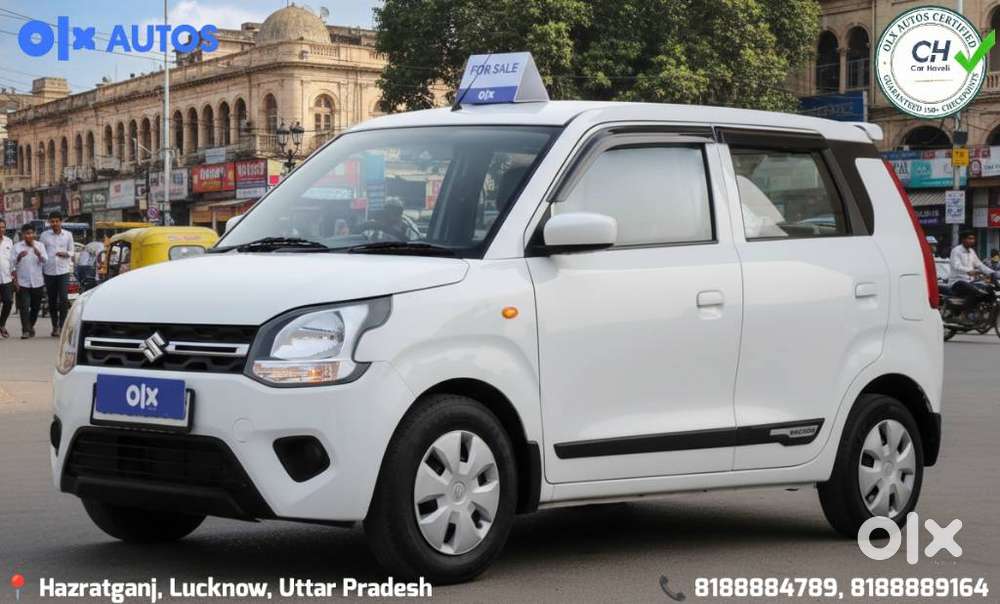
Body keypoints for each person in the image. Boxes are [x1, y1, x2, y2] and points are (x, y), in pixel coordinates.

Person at [39, 211, 74, 337]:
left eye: (56, 221)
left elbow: (72, 251)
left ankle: (62, 325)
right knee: (52, 300)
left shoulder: (68, 235)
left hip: (63, 271)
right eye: (52, 221)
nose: (54, 223)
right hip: (49, 272)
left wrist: (66, 254)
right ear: (49, 222)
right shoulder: (44, 235)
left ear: (61, 221)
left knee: (64, 299)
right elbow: (41, 252)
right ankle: (55, 326)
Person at [12, 223, 47, 339]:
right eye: (27, 233)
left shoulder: (40, 245)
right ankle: (25, 330)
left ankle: (30, 326)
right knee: (24, 307)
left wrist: (39, 254)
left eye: (31, 233)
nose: (29, 236)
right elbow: (12, 264)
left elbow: (45, 261)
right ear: (22, 235)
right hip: (23, 282)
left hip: (37, 282)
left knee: (35, 308)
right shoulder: (17, 247)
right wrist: (19, 257)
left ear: (35, 234)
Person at [948, 231, 997, 311]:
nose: (972, 241)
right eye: (969, 238)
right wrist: (969, 271)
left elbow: (980, 265)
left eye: (973, 239)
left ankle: (987, 312)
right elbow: (956, 266)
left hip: (970, 282)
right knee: (975, 291)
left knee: (990, 290)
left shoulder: (972, 252)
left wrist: (992, 272)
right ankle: (965, 313)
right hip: (957, 281)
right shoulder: (956, 251)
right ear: (963, 239)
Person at [0, 218, 14, 339]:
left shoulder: (9, 241)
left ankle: (2, 324)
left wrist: (14, 275)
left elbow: (12, 260)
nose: (1, 229)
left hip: (7, 277)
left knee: (8, 301)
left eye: (3, 227)